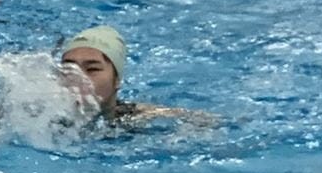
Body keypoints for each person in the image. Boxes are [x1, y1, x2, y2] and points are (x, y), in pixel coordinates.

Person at [54, 25, 215, 130]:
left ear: (117, 80)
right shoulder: (45, 115)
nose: (77, 76)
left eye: (92, 69)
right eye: (69, 68)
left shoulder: (136, 120)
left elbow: (207, 121)